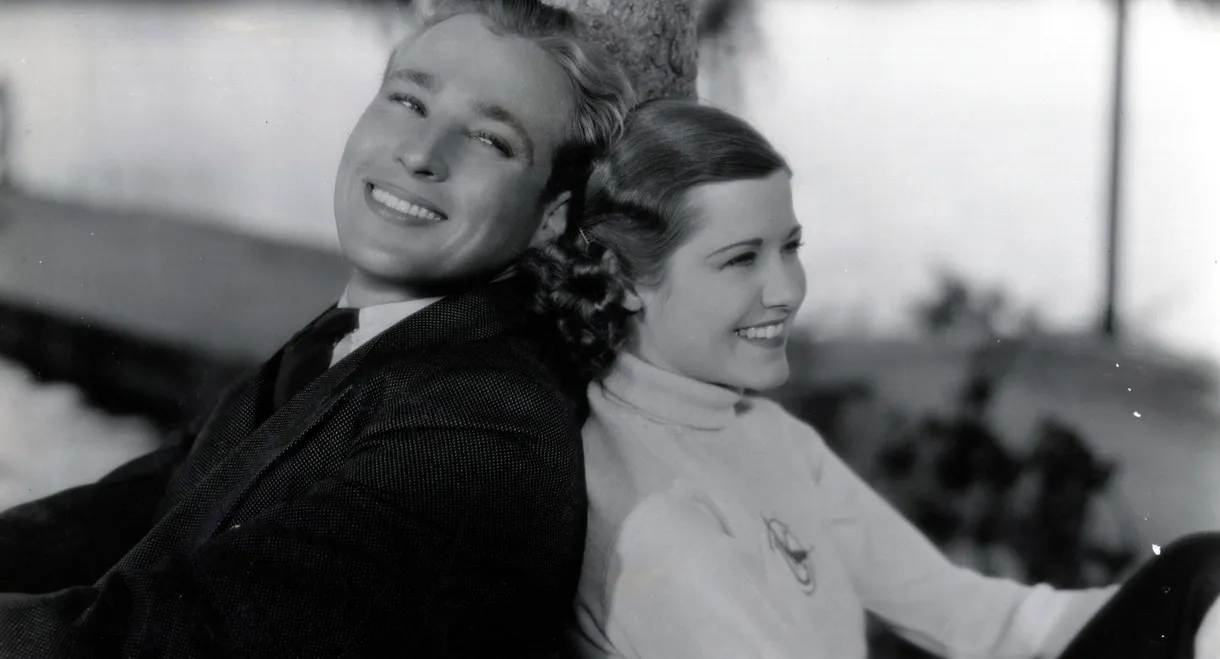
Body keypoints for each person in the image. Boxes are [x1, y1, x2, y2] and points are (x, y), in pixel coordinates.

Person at [0, 1, 635, 656]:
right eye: (409, 102)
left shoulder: (483, 431)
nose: (420, 152)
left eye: (491, 139)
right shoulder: (367, 336)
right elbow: (151, 496)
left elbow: (176, 640)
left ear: (552, 216)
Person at [526, 98, 1220, 659]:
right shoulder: (654, 516)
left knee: (1204, 575)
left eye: (790, 247)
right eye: (741, 259)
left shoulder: (763, 435)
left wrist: (1194, 617)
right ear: (623, 281)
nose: (787, 290)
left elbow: (973, 618)